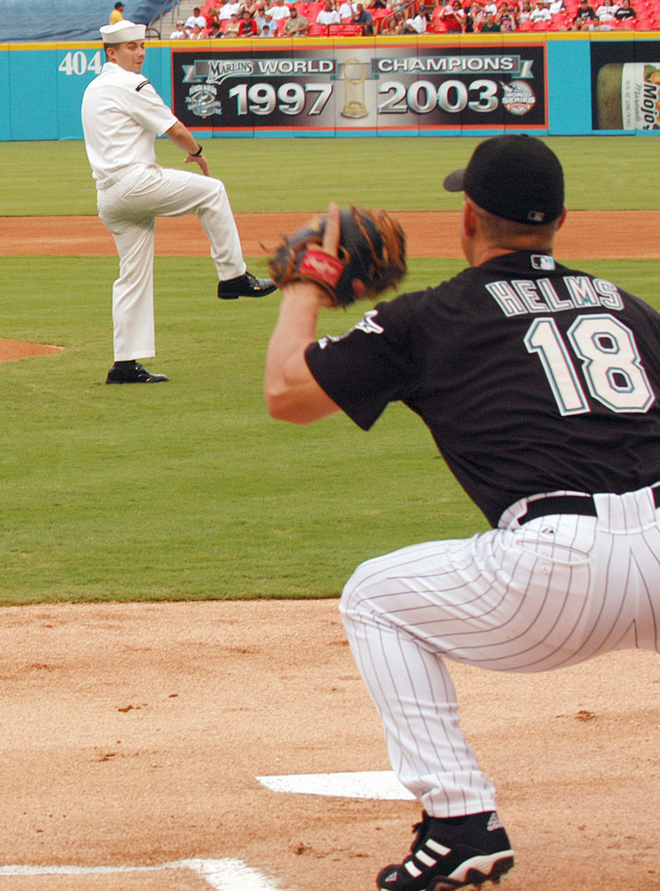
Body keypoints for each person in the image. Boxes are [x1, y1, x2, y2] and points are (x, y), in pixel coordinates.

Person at [263, 135, 660, 891]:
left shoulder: (430, 317)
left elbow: (287, 395)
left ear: (469, 218)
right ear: (561, 219)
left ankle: (459, 821)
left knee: (376, 596)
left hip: (555, 571)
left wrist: (306, 285)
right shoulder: (628, 306)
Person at [81, 20, 274, 385]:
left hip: (108, 196)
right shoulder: (131, 83)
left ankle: (125, 365)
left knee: (132, 276)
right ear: (112, 53)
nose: (140, 53)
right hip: (134, 183)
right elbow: (175, 130)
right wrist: (198, 153)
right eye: (131, 47)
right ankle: (233, 276)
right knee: (212, 191)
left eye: (141, 45)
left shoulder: (93, 87)